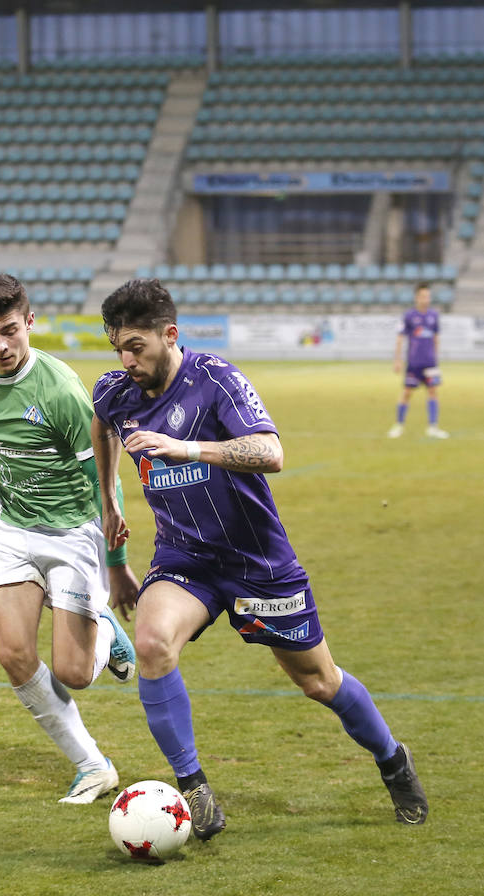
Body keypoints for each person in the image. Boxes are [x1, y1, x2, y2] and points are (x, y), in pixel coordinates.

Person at [91, 278, 428, 840]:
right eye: (117, 349)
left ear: (169, 335)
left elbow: (270, 452)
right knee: (151, 642)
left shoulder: (215, 380)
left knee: (319, 682)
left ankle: (393, 760)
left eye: (136, 347)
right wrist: (108, 503)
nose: (126, 361)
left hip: (257, 563)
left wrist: (189, 448)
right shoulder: (117, 390)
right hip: (185, 557)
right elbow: (102, 427)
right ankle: (194, 789)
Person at [0, 273, 139, 804]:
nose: (0, 345)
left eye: (10, 331)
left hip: (72, 532)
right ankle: (93, 766)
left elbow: (106, 480)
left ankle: (102, 625)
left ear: (30, 322)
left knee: (74, 673)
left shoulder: (61, 391)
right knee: (13, 653)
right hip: (9, 530)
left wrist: (117, 563)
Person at [388, 282, 448, 439]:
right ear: (416, 298)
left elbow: (436, 338)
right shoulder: (409, 316)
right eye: (422, 296)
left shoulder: (434, 316)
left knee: (433, 392)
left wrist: (436, 358)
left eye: (428, 296)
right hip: (414, 363)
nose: (425, 299)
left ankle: (433, 427)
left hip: (430, 362)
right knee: (407, 392)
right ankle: (398, 425)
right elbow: (400, 338)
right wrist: (398, 360)